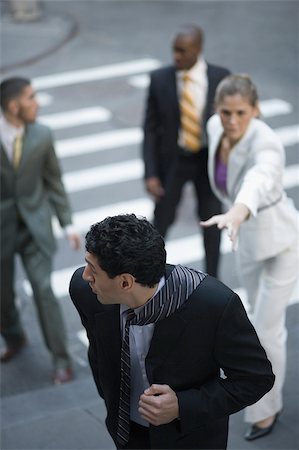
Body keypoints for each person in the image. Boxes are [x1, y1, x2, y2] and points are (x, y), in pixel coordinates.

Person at [69, 213, 274, 450]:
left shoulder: (214, 305)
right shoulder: (85, 292)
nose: (86, 276)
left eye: (93, 269)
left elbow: (256, 379)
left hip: (191, 438)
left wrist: (182, 406)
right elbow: (98, 353)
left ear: (125, 282)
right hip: (126, 433)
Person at [200, 74, 299, 441]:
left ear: (255, 111)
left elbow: (258, 179)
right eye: (226, 112)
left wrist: (236, 213)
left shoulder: (267, 144)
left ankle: (265, 411)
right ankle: (264, 400)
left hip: (281, 241)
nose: (232, 121)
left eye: (241, 112)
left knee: (266, 329)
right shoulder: (214, 127)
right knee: (254, 321)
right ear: (217, 110)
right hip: (247, 243)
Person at [0, 77, 81, 384]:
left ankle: (61, 359)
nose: (37, 103)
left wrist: (67, 223)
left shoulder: (43, 135)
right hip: (2, 229)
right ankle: (14, 337)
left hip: (35, 228)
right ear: (13, 106)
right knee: (2, 295)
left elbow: (54, 181)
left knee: (43, 288)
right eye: (31, 98)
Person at [142, 24, 230, 278]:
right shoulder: (160, 79)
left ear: (198, 50)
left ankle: (213, 284)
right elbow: (149, 129)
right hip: (174, 162)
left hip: (207, 162)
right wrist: (150, 173)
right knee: (160, 224)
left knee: (212, 225)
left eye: (182, 51)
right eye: (174, 50)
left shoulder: (220, 77)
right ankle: (152, 283)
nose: (176, 56)